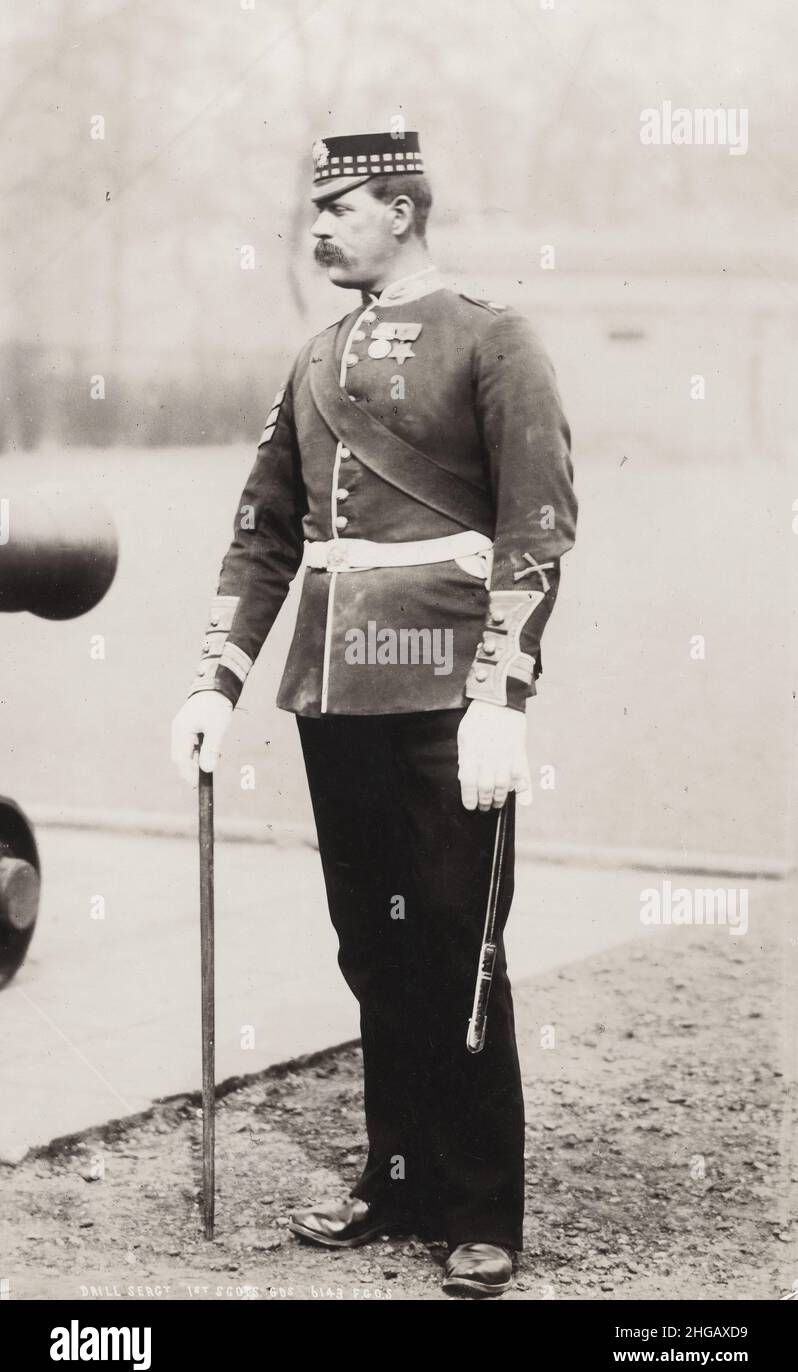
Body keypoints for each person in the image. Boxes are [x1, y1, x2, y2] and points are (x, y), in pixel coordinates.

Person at [171, 129, 577, 1298]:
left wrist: (503, 692)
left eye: (339, 205)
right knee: (376, 943)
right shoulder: (313, 359)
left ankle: (480, 1204)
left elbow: (536, 530)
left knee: (460, 944)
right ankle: (395, 1175)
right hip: (335, 694)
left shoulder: (494, 337)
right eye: (315, 208)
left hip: (450, 693)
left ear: (402, 209)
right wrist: (217, 678)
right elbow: (264, 533)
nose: (318, 227)